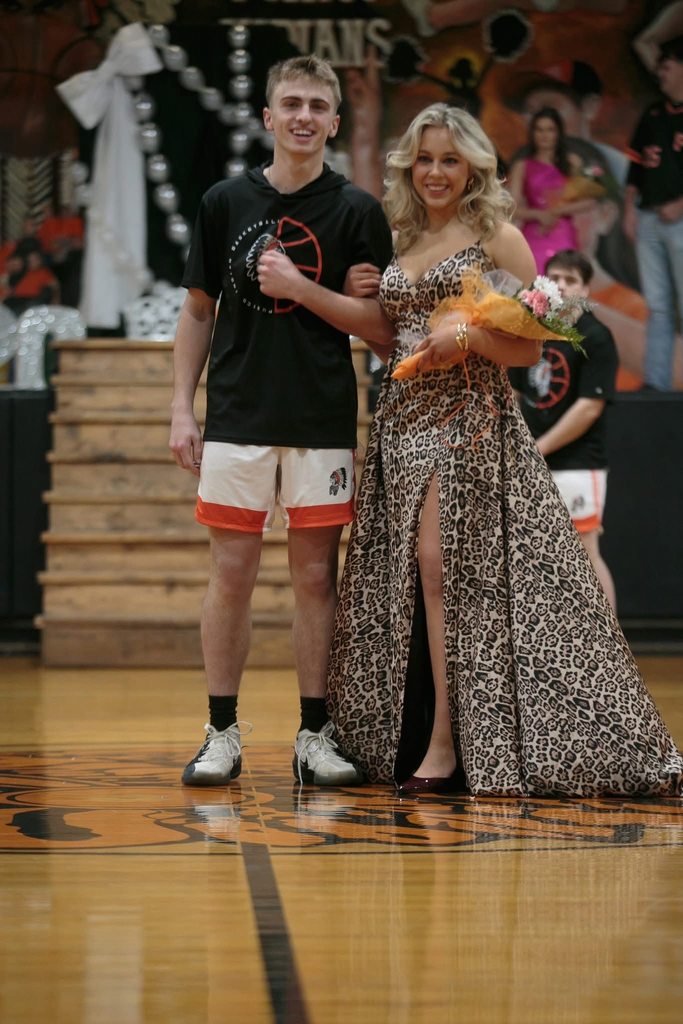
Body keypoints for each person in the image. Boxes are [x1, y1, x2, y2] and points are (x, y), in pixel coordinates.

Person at [326, 102, 683, 798]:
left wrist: (469, 339)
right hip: (398, 424)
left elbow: (539, 343)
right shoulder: (394, 234)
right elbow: (387, 333)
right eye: (424, 159)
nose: (434, 172)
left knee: (438, 570)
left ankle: (446, 744)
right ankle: (411, 731)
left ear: (472, 167)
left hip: (469, 425)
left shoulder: (499, 236)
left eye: (449, 160)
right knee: (411, 580)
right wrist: (345, 294)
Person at [170, 55, 394, 788]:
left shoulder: (357, 211)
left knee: (314, 581)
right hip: (236, 417)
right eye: (290, 102)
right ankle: (221, 732)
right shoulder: (222, 202)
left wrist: (303, 287)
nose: (303, 116)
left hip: (321, 418)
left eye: (316, 105)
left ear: (334, 120)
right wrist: (181, 408)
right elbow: (198, 310)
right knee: (229, 575)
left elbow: (383, 328)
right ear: (268, 117)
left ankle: (313, 733)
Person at [508, 249, 618, 609]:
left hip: (577, 463)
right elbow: (514, 392)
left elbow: (588, 408)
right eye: (555, 277)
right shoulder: (532, 331)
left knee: (586, 553)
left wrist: (536, 449)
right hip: (530, 463)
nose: (561, 285)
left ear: (585, 290)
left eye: (571, 280)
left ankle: (610, 650)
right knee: (533, 558)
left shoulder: (596, 336)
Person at [624, 33, 683, 391]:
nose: (660, 73)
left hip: (680, 221)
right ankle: (656, 383)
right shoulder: (654, 113)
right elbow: (636, 166)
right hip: (648, 218)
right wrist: (630, 208)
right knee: (658, 307)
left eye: (666, 66)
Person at [507, 107, 593, 274]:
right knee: (531, 289)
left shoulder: (573, 162)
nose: (544, 135)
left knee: (564, 283)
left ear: (558, 133)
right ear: (532, 133)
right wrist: (538, 214)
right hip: (533, 233)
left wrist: (557, 211)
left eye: (550, 130)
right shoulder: (522, 166)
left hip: (563, 233)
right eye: (539, 130)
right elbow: (512, 208)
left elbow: (590, 201)